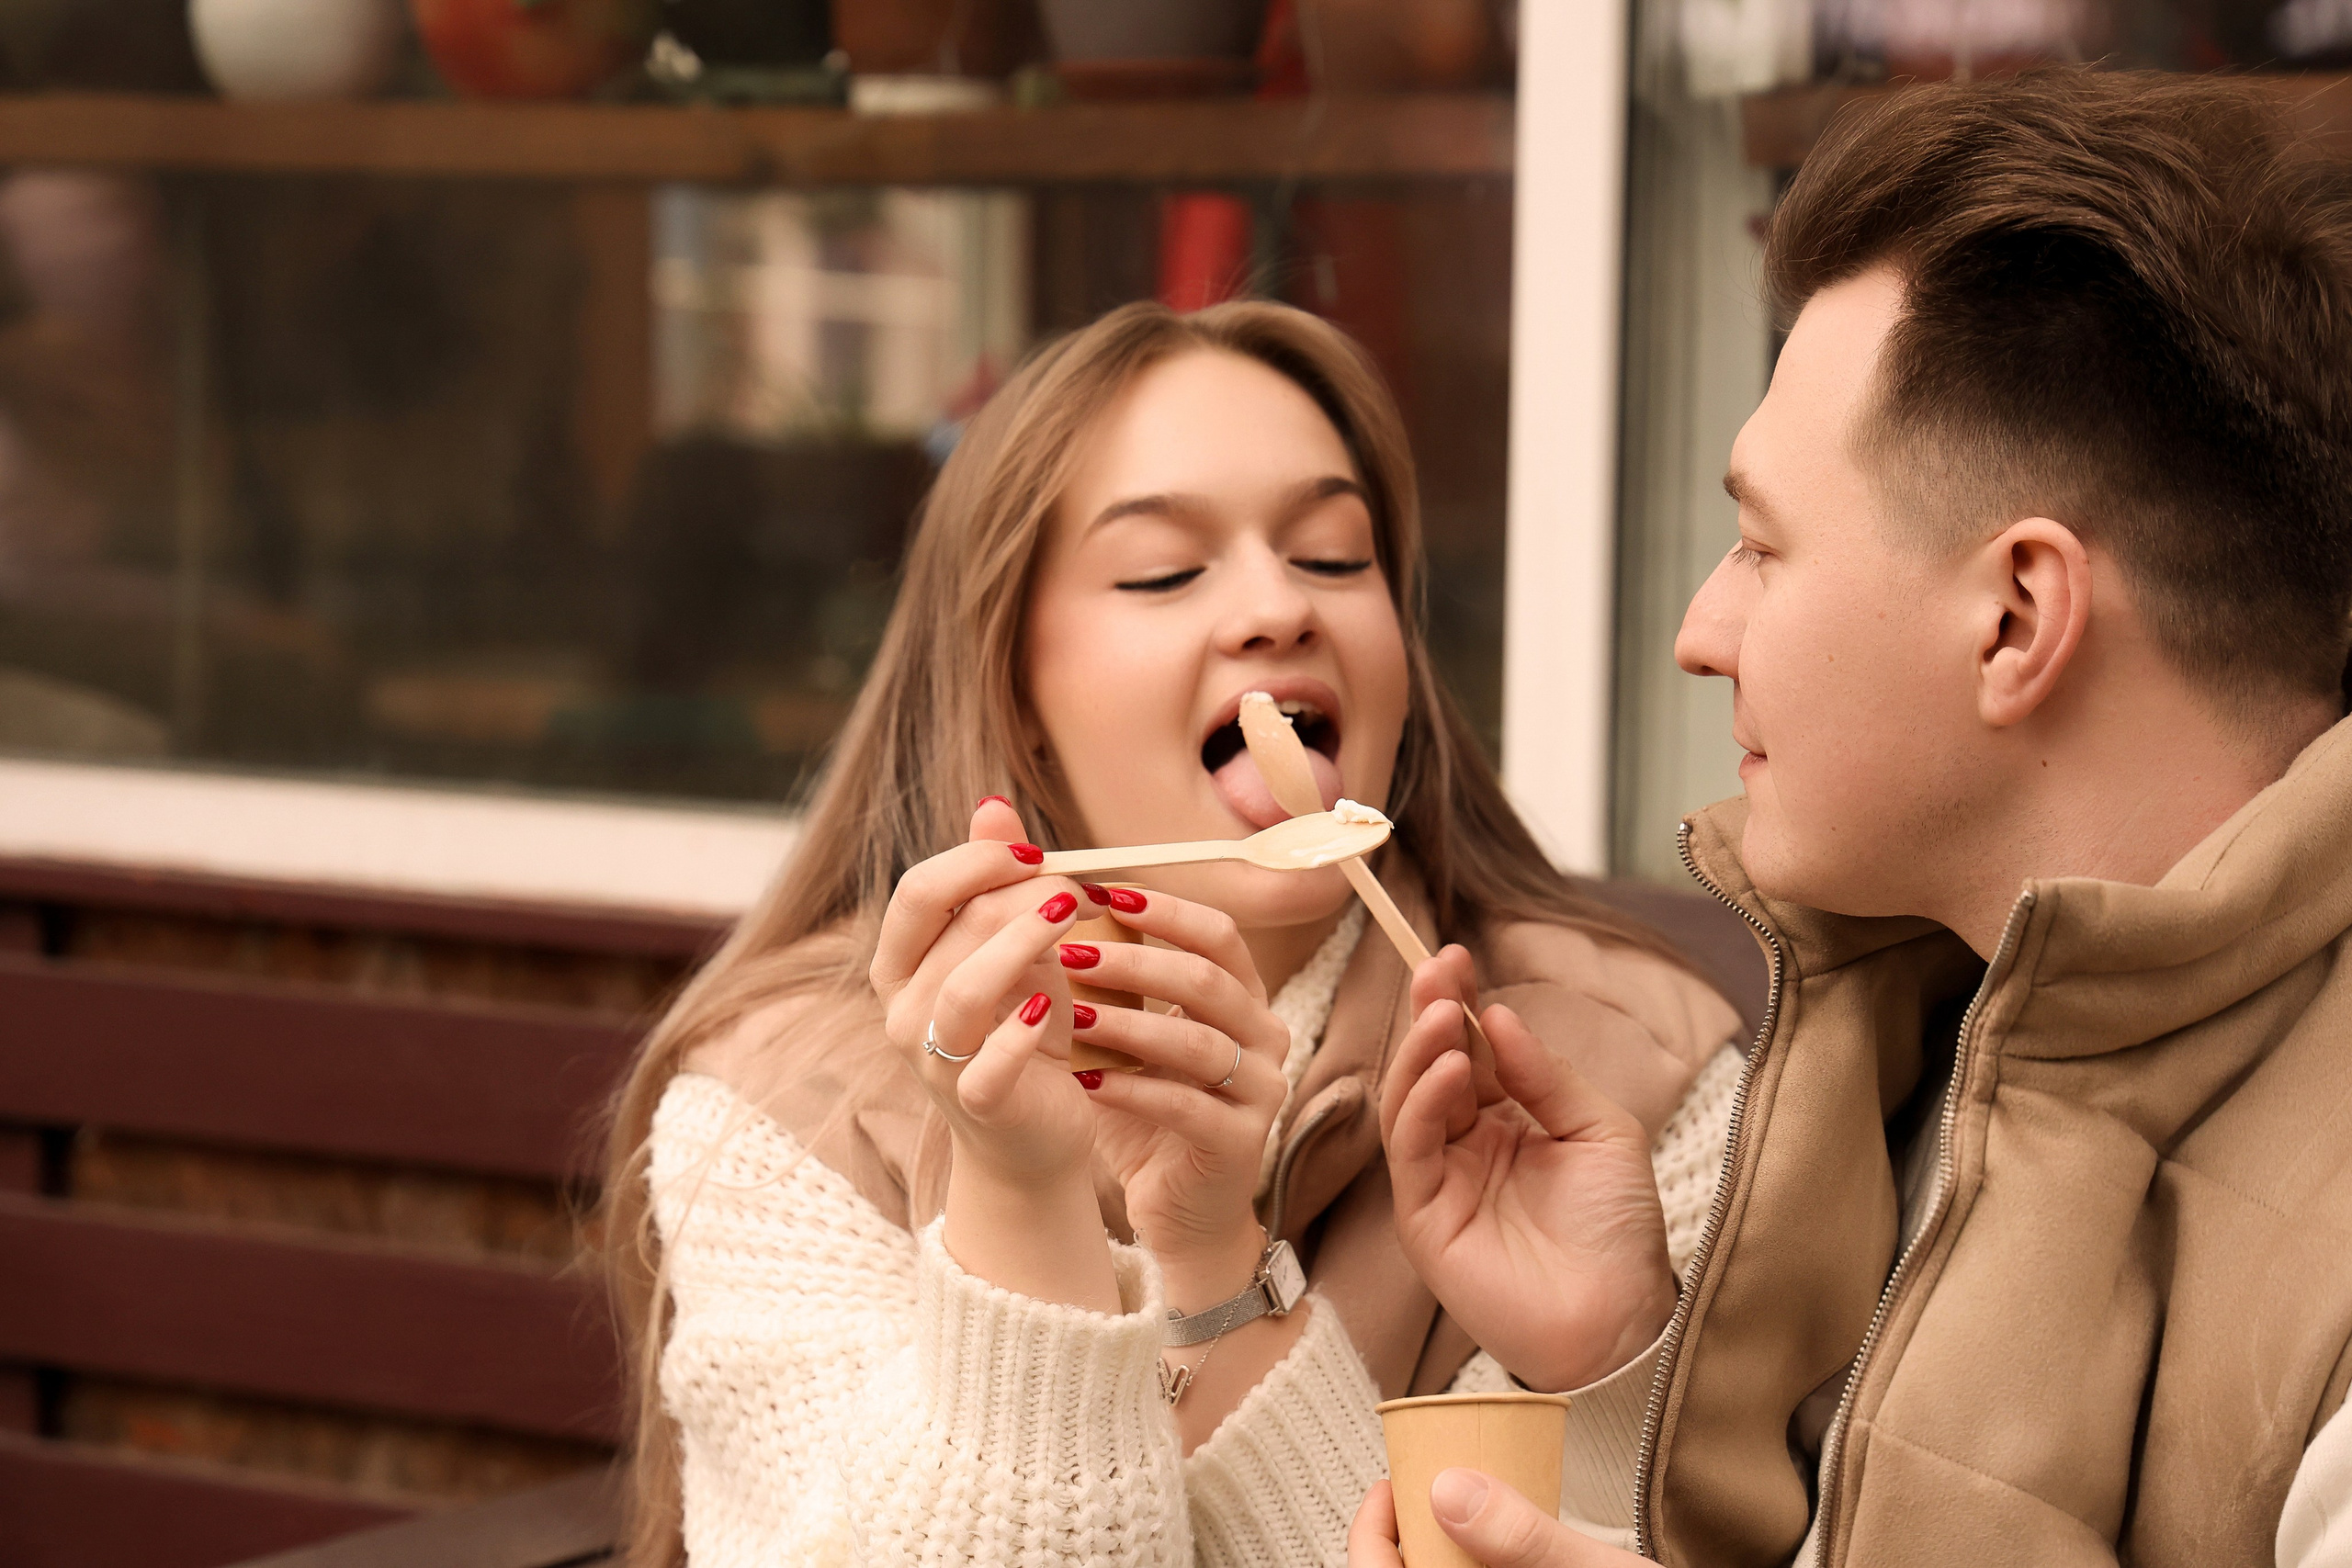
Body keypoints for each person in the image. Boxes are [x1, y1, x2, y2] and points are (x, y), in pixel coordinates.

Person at [1350, 68, 2352, 1567]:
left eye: (1762, 544)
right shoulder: (1934, 1037)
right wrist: (1623, 1356)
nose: (1700, 627)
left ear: (2017, 617)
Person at [599, 299, 1748, 1567]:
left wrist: (1220, 1276)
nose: (1276, 607)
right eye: (1163, 571)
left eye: (1331, 555)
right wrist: (1021, 1204)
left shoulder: (1633, 1085)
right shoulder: (785, 1116)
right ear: (1012, 691)